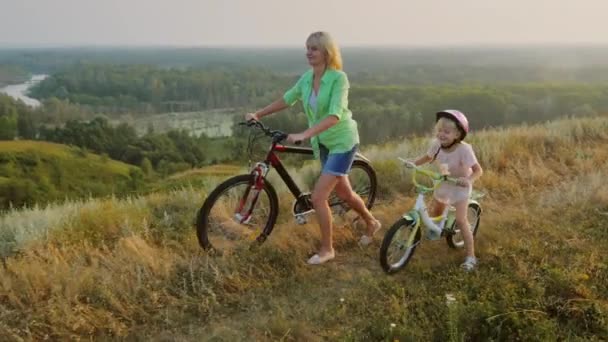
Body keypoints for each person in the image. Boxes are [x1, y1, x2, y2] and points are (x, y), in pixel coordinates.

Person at [245, 31, 381, 265]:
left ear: (327, 53)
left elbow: (334, 115)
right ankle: (372, 222)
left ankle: (327, 249)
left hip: (342, 141)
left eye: (314, 48)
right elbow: (287, 99)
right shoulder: (307, 78)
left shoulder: (339, 79)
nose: (308, 52)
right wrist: (258, 114)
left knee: (319, 198)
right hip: (324, 143)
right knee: (344, 193)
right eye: (307, 48)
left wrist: (304, 134)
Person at [412, 110, 483, 271]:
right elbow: (428, 157)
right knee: (437, 209)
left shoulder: (464, 150)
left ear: (457, 134)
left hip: (459, 186)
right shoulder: (436, 144)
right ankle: (437, 230)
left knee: (460, 220)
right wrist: (414, 163)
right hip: (443, 182)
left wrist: (468, 180)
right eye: (439, 130)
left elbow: (478, 170)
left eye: (446, 131)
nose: (441, 134)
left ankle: (471, 257)